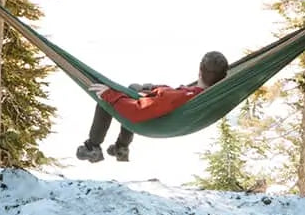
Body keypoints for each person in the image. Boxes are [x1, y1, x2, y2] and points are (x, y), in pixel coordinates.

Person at [75, 51, 229, 163]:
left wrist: (110, 95)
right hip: (165, 111)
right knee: (134, 87)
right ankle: (121, 147)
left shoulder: (182, 97)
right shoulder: (211, 94)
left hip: (152, 120)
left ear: (200, 71)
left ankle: (93, 147)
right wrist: (155, 88)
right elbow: (178, 94)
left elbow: (137, 112)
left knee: (104, 97)